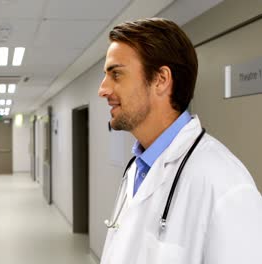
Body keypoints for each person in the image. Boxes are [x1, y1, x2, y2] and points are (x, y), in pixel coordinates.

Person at [98, 18, 262, 264]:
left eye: (116, 74)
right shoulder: (136, 168)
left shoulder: (225, 184)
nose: (103, 89)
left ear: (161, 80)